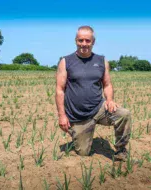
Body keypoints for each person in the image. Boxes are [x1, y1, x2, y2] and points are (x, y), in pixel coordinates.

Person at [55, 25, 131, 160]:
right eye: (80, 40)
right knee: (83, 153)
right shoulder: (66, 61)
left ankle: (121, 152)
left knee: (123, 114)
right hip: (78, 115)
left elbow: (107, 85)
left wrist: (109, 100)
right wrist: (62, 115)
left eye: (87, 41)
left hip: (99, 108)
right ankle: (80, 133)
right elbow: (60, 90)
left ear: (93, 42)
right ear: (76, 41)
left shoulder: (102, 61)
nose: (84, 44)